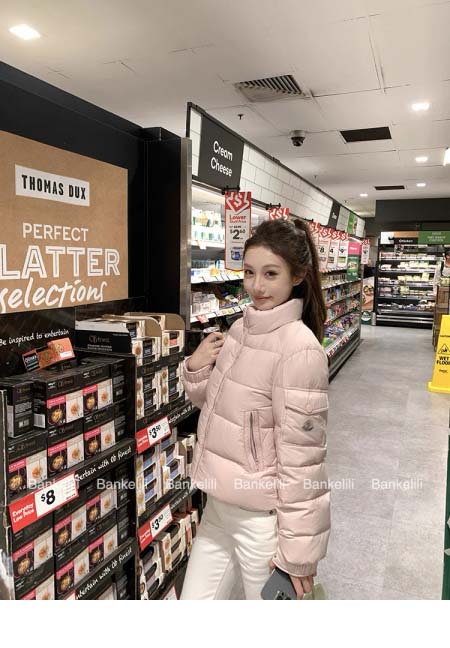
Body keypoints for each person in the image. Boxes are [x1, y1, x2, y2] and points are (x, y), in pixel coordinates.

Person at [180, 219, 331, 600]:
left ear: (297, 276)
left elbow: (304, 459)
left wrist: (298, 556)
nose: (256, 286)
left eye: (270, 274)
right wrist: (196, 368)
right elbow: (219, 411)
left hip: (261, 521)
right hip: (218, 506)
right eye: (249, 273)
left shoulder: (299, 349)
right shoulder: (239, 331)